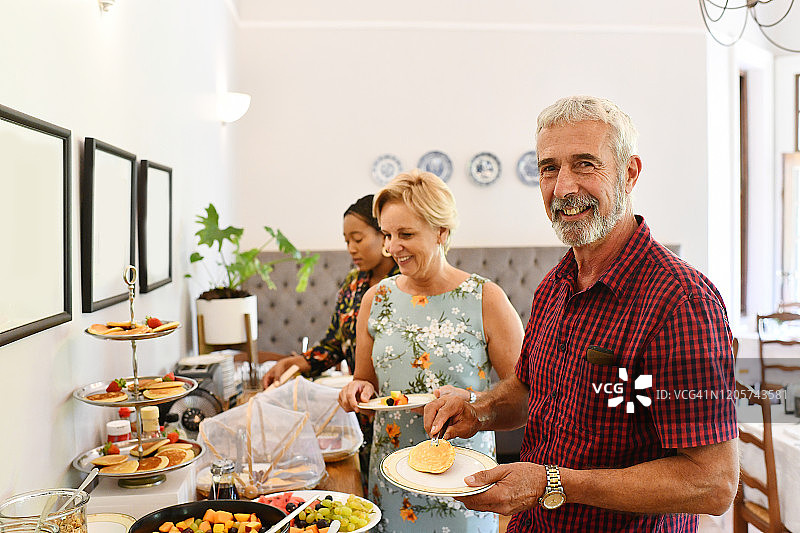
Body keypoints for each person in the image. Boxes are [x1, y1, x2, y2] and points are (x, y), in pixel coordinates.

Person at [424, 95, 739, 532]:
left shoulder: (681, 302)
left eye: (585, 164)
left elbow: (712, 484)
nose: (564, 186)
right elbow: (528, 390)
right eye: (549, 168)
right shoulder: (555, 283)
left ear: (629, 173)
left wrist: (554, 483)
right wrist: (477, 409)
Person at [338, 169, 524, 533]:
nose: (392, 247)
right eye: (388, 234)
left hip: (462, 481)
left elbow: (528, 397)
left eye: (406, 234)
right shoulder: (376, 300)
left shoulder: (486, 298)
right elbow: (365, 381)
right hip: (392, 476)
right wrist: (356, 390)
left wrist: (473, 401)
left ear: (442, 232)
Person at [262, 194, 398, 478]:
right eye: (346, 240)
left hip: (397, 408)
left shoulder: (405, 284)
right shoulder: (353, 283)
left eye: (358, 239)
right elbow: (336, 342)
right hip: (359, 406)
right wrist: (299, 362)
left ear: (384, 234)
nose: (350, 248)